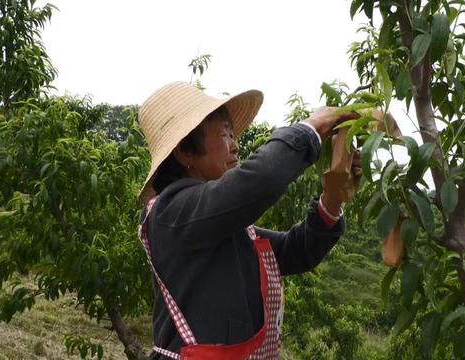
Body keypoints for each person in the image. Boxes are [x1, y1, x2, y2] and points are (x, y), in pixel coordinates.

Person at [137, 81, 361, 359]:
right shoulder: (171, 213)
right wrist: (309, 130)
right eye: (224, 134)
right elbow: (260, 179)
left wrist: (333, 197)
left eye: (232, 134)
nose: (235, 145)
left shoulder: (225, 228)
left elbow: (296, 251)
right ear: (186, 152)